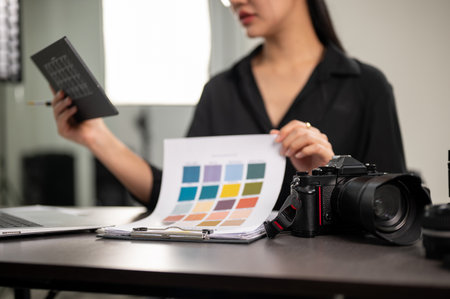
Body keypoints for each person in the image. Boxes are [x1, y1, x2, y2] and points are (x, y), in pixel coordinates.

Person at [51, 0, 406, 212]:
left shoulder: (366, 88)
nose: (234, 1)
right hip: (223, 281)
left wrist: (329, 176)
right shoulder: (220, 90)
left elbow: (393, 207)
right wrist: (96, 137)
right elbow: (176, 195)